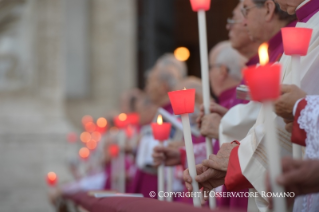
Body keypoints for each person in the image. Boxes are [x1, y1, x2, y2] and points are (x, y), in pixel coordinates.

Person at [184, 0, 298, 211]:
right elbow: (266, 116)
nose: (242, 23)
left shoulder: (294, 43)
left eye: (245, 11)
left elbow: (292, 115)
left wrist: (223, 125)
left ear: (269, 9)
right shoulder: (275, 52)